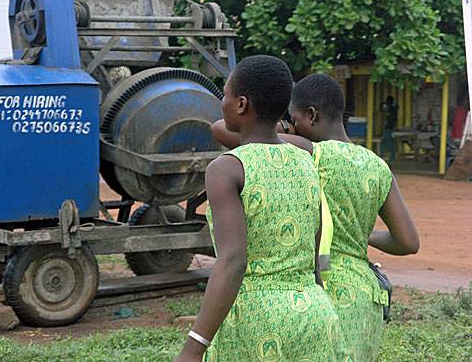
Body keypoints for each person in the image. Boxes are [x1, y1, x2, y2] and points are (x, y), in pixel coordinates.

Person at [211, 73, 420, 362]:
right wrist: (359, 235)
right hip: (365, 297)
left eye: (294, 121)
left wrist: (277, 124)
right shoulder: (378, 166)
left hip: (323, 288)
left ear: (311, 116)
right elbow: (408, 242)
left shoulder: (311, 153)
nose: (292, 128)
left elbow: (223, 129)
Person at [174, 57, 348, 362]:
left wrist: (194, 347)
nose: (222, 102)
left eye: (225, 94)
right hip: (316, 314)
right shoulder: (306, 161)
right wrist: (318, 298)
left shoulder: (227, 169)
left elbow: (233, 261)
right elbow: (314, 253)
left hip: (258, 322)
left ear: (241, 104)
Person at [379, 96, 399, 160]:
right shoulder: (393, 108)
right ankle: (392, 156)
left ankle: (382, 155)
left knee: (385, 141)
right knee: (391, 142)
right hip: (392, 127)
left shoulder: (392, 109)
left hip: (389, 127)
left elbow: (389, 118)